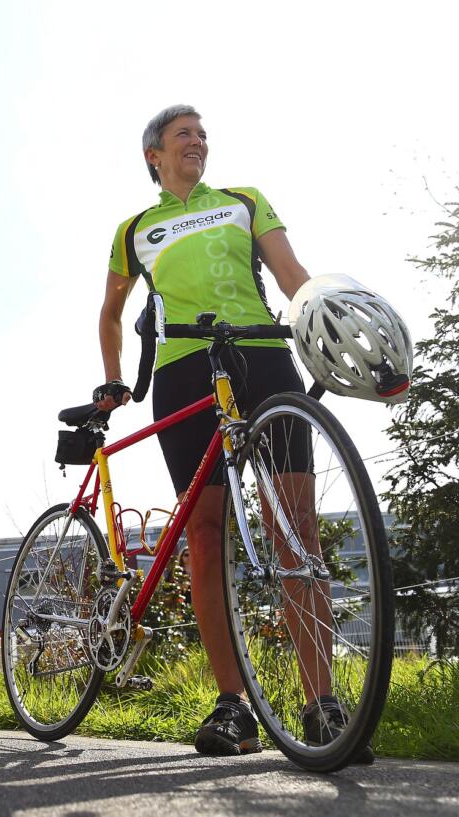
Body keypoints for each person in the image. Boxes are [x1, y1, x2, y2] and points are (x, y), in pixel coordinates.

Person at [95, 104, 372, 761]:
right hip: (182, 369)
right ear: (153, 157)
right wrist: (111, 380)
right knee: (205, 531)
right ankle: (232, 707)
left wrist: (329, 325)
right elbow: (110, 313)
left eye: (202, 134)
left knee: (295, 528)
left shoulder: (245, 201)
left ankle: (320, 704)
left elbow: (291, 276)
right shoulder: (136, 228)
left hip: (263, 355)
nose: (197, 141)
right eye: (182, 134)